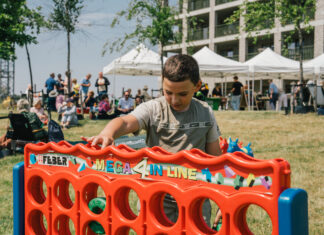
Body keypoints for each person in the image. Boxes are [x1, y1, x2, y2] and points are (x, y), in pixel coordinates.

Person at [86, 54, 222, 227]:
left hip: (196, 197)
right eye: (168, 92)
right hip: (157, 196)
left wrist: (221, 197)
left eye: (182, 93)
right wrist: (108, 132)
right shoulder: (154, 108)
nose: (174, 100)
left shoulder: (205, 112)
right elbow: (127, 121)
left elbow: (215, 158)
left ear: (197, 86)